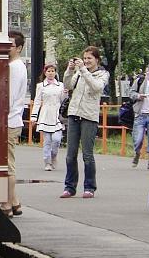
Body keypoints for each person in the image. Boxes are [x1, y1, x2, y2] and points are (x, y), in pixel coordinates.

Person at [60, 46, 109, 199]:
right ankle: (70, 186)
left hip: (89, 116)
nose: (87, 61)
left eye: (90, 58)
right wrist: (70, 70)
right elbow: (67, 85)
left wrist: (84, 70)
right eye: (85, 58)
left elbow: (96, 87)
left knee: (87, 154)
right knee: (70, 154)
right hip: (74, 114)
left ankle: (89, 186)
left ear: (97, 60)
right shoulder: (79, 73)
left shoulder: (103, 74)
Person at [1, 30, 27, 216]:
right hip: (13, 119)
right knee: (7, 161)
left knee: (8, 164)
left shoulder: (15, 68)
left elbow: (8, 99)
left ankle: (6, 205)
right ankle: (15, 203)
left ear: (19, 48)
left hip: (10, 120)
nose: (7, 48)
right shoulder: (16, 66)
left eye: (10, 45)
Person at [31, 64, 65, 171]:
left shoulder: (60, 85)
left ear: (55, 73)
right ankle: (47, 161)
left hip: (57, 114)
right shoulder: (41, 86)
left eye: (53, 71)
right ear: (45, 73)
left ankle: (54, 155)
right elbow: (37, 101)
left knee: (56, 139)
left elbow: (63, 100)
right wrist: (34, 116)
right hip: (46, 113)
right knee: (47, 140)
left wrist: (65, 94)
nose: (51, 73)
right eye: (49, 71)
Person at [130, 63, 149, 169]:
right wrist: (138, 96)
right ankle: (137, 153)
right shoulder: (140, 81)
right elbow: (131, 93)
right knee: (137, 139)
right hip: (140, 114)